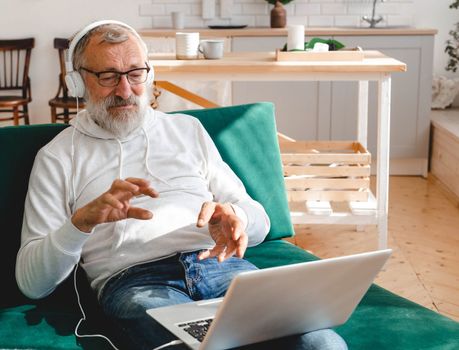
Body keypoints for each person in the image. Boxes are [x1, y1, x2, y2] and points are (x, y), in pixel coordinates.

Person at [15, 20, 347, 350]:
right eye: (107, 76)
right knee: (193, 346)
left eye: (135, 73)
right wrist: (81, 223)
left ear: (150, 73)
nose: (125, 89)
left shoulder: (188, 130)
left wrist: (236, 218)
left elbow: (259, 221)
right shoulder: (58, 157)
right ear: (77, 83)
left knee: (322, 343)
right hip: (135, 282)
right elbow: (32, 283)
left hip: (221, 266)